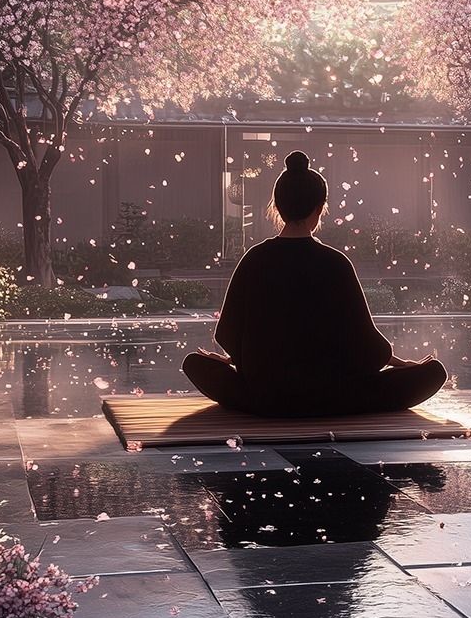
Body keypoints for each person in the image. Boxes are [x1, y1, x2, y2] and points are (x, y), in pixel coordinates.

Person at [182, 150, 446, 417]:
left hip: (265, 397)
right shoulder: (335, 263)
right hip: (333, 396)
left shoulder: (255, 259)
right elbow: (365, 345)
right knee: (433, 373)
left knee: (194, 363)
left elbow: (230, 332)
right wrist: (400, 365)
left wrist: (230, 361)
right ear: (319, 209)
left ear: (277, 207)